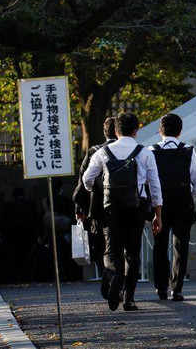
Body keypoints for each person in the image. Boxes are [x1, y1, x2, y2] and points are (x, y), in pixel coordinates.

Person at [82, 113, 163, 312]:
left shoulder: (102, 152)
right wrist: (157, 214)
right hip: (136, 208)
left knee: (111, 250)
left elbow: (87, 179)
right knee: (132, 253)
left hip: (111, 208)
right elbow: (155, 186)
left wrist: (97, 191)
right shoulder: (144, 152)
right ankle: (129, 298)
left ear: (115, 131)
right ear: (136, 131)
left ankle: (115, 277)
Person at [150, 113, 196, 301]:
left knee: (160, 246)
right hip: (182, 202)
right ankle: (177, 288)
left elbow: (149, 181)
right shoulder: (188, 150)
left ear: (160, 131)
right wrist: (190, 199)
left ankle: (161, 287)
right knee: (181, 246)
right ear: (180, 131)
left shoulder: (151, 150)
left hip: (160, 205)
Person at [74, 117, 117, 284]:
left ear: (104, 132)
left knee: (101, 244)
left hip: (98, 205)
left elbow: (82, 180)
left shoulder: (94, 151)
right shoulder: (130, 150)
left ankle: (108, 275)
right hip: (125, 204)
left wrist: (80, 209)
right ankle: (119, 279)